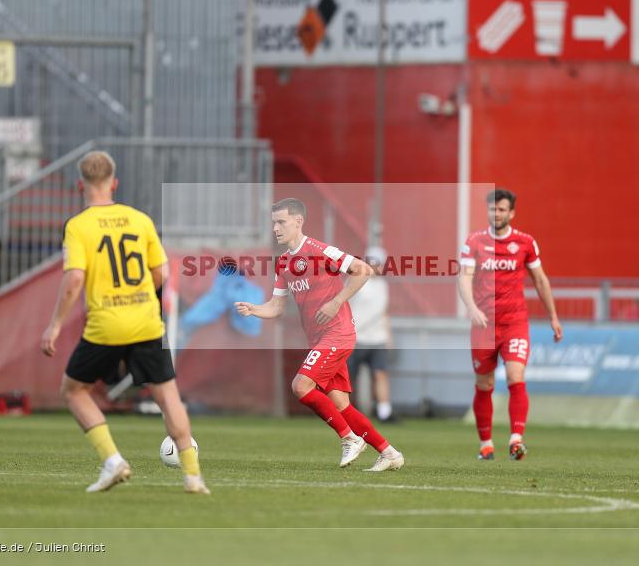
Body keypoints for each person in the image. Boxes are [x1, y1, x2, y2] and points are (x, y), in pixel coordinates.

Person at [40, 150, 209, 494]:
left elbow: (74, 280)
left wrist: (54, 325)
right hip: (145, 320)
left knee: (73, 390)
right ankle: (193, 477)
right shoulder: (139, 220)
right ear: (114, 183)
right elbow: (161, 272)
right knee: (168, 397)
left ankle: (113, 461)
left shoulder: (78, 226)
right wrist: (142, 297)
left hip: (105, 324)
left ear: (81, 186)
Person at [235, 198, 404, 471]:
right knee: (341, 404)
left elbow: (362, 270)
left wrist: (336, 302)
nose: (275, 228)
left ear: (298, 221)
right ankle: (389, 453)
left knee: (301, 386)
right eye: (274, 223)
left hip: (338, 333)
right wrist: (255, 309)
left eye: (281, 222)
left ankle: (349, 438)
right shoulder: (283, 263)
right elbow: (277, 306)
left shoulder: (321, 250)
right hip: (319, 339)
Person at [457, 189, 563, 461]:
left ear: (511, 213)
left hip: (515, 322)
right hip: (484, 325)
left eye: (502, 209)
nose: (496, 213)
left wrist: (553, 316)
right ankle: (486, 445)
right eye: (493, 209)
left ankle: (516, 439)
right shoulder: (475, 242)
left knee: (516, 375)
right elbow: (464, 277)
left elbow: (540, 280)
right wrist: (471, 307)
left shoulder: (525, 242)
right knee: (485, 383)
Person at [348, 246, 397, 423]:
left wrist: (389, 337)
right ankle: (345, 413)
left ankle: (385, 412)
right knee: (348, 377)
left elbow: (384, 312)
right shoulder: (356, 281)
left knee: (380, 374)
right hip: (356, 338)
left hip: (377, 339)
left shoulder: (383, 285)